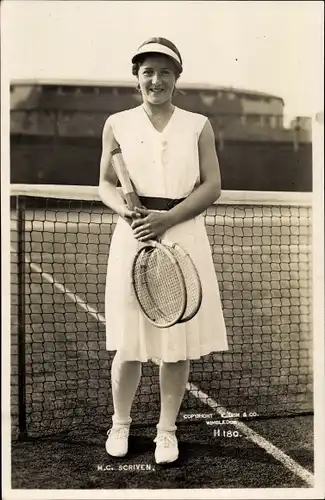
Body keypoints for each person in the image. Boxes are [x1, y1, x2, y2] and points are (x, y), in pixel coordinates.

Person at [98, 36, 228, 464]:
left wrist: (167, 219)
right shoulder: (117, 122)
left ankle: (166, 432)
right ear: (136, 76)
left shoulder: (198, 124)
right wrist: (126, 210)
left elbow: (212, 185)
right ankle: (120, 424)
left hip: (183, 234)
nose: (156, 79)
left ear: (177, 77)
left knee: (176, 344)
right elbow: (105, 182)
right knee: (130, 343)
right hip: (134, 237)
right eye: (148, 71)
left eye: (165, 72)